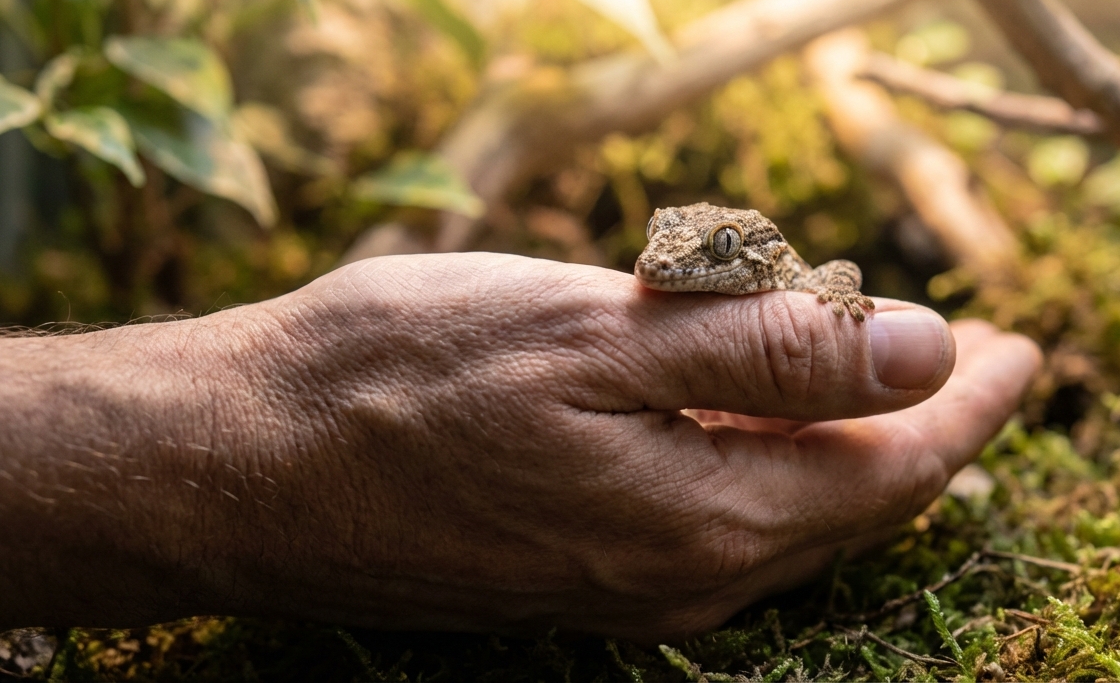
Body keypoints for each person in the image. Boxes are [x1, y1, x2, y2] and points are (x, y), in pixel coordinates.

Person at [0, 253, 1040, 639]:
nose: (659, 264)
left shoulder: (797, 280)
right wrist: (256, 435)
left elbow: (837, 273)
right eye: (660, 239)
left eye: (714, 251)